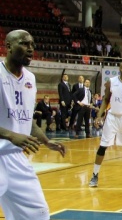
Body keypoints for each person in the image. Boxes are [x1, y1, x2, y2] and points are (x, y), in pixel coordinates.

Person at [0, 29, 66, 220]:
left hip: (16, 157)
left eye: (32, 45)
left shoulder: (30, 78)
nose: (31, 49)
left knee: (38, 214)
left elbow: (27, 120)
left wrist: (46, 141)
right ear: (9, 46)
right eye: (24, 43)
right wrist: (11, 135)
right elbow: (16, 132)